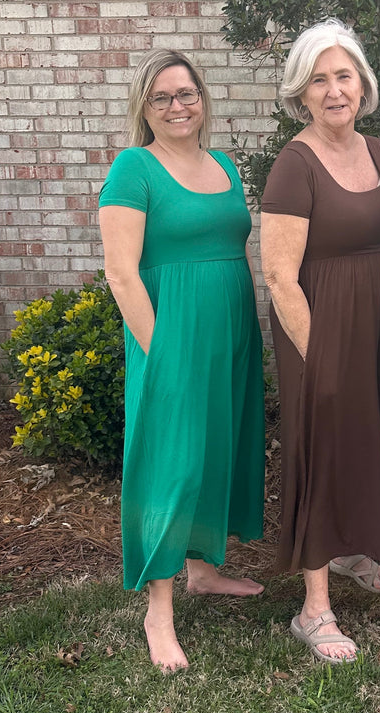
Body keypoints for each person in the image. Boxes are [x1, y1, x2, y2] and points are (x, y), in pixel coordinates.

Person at [99, 49, 266, 671]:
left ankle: (203, 570)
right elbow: (121, 273)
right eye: (163, 96)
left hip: (229, 327)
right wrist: (160, 352)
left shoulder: (223, 164)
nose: (178, 105)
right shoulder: (133, 168)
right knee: (171, 463)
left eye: (187, 93)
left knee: (218, 448)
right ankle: (158, 611)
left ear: (204, 99)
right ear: (144, 105)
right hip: (170, 335)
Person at [260, 19, 380, 664]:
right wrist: (317, 353)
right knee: (323, 446)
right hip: (321, 326)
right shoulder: (294, 164)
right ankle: (313, 608)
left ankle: (354, 550)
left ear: (363, 85)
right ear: (302, 93)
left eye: (343, 76)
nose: (333, 90)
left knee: (371, 434)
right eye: (318, 79)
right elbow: (277, 273)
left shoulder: (376, 150)